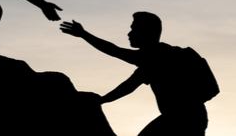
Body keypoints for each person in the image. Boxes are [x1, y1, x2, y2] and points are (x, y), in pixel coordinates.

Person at [60, 12, 216, 136]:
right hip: (192, 118)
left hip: (180, 120)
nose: (129, 34)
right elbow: (129, 84)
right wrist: (103, 100)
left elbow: (116, 54)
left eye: (134, 29)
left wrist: (84, 34)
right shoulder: (161, 58)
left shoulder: (155, 58)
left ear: (147, 32)